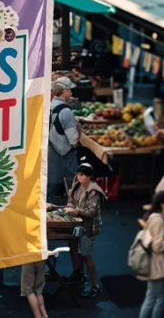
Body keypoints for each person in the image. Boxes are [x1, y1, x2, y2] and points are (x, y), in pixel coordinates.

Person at [65, 163, 106, 297]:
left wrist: (75, 210)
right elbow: (71, 200)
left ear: (89, 177)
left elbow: (91, 212)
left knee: (86, 256)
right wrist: (70, 206)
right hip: (75, 224)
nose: (78, 177)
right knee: (73, 249)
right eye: (78, 174)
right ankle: (78, 273)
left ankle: (95, 285)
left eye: (82, 175)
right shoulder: (76, 186)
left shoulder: (93, 191)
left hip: (88, 227)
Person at [48, 78, 79, 206]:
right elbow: (74, 140)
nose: (71, 93)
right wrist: (79, 128)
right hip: (64, 154)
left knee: (51, 184)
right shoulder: (65, 111)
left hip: (50, 151)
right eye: (69, 90)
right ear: (64, 91)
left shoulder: (49, 106)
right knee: (70, 185)